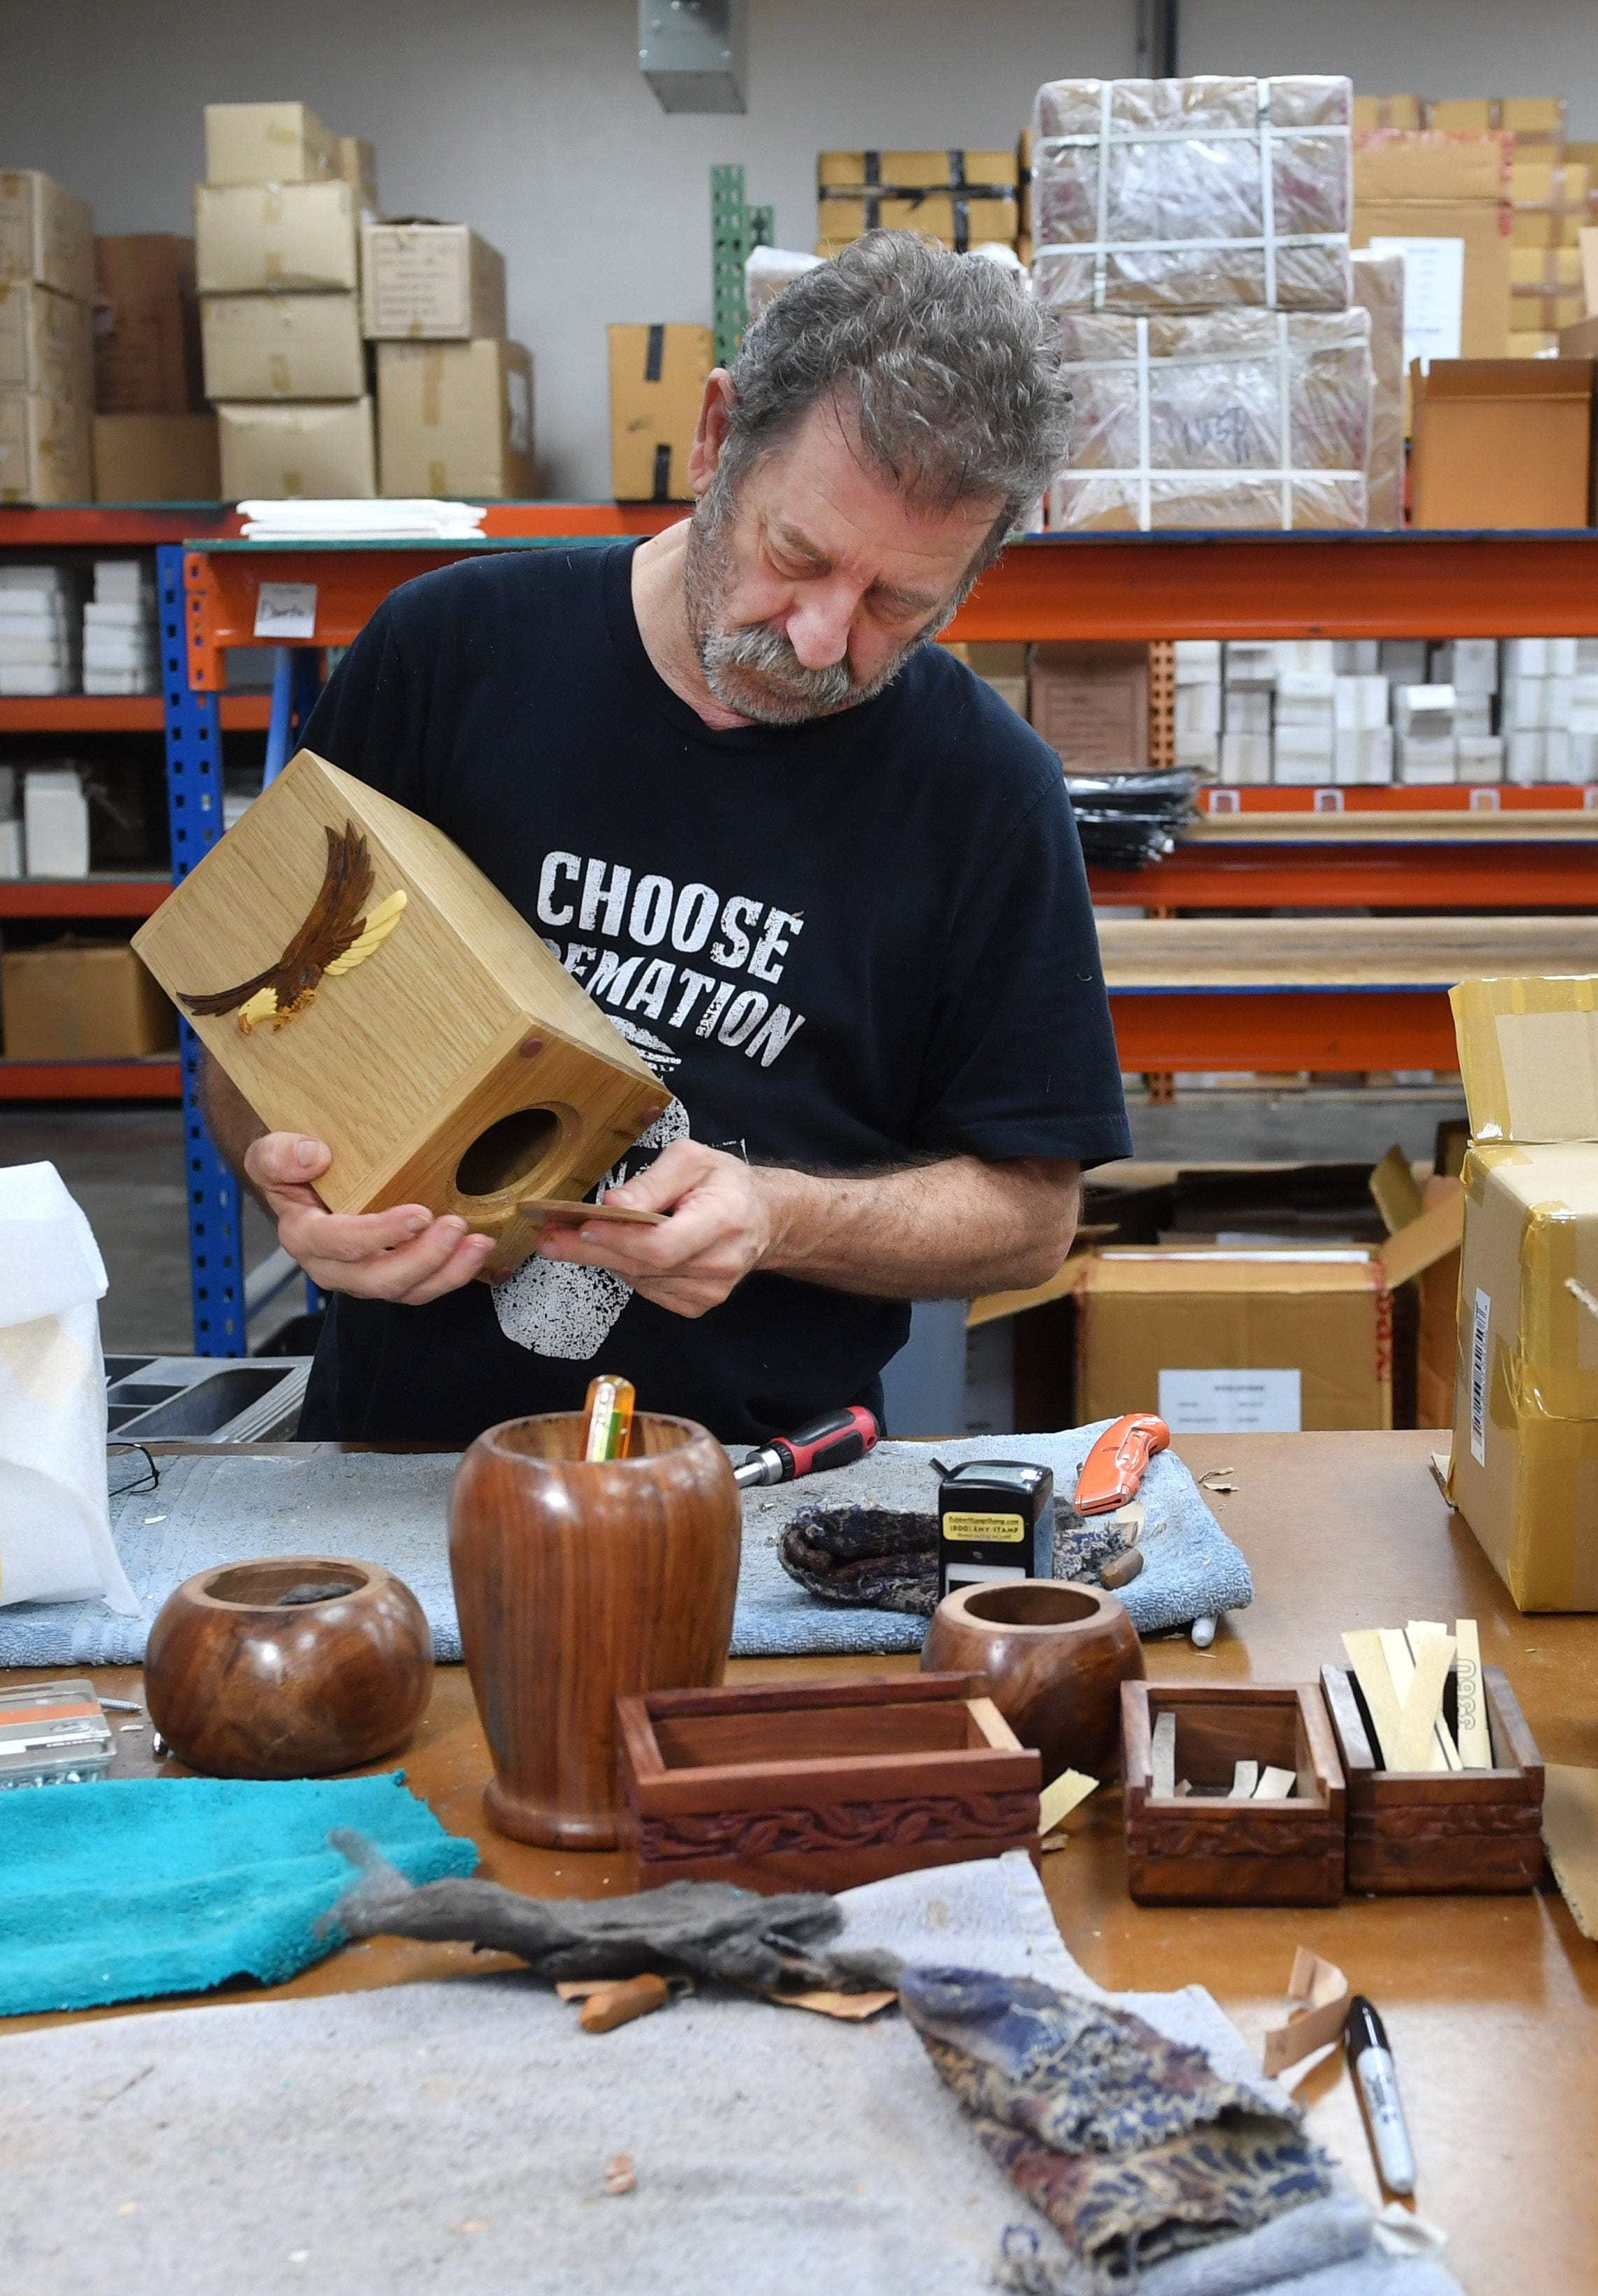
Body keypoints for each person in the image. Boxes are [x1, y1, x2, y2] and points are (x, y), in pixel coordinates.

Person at [203, 232, 1129, 1447]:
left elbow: (1030, 1215)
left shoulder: (987, 791)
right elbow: (249, 1036)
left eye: (897, 604)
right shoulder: (445, 654)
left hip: (766, 1490)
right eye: (795, 555)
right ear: (714, 438)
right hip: (398, 1467)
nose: (817, 638)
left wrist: (781, 1216)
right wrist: (289, 1176)